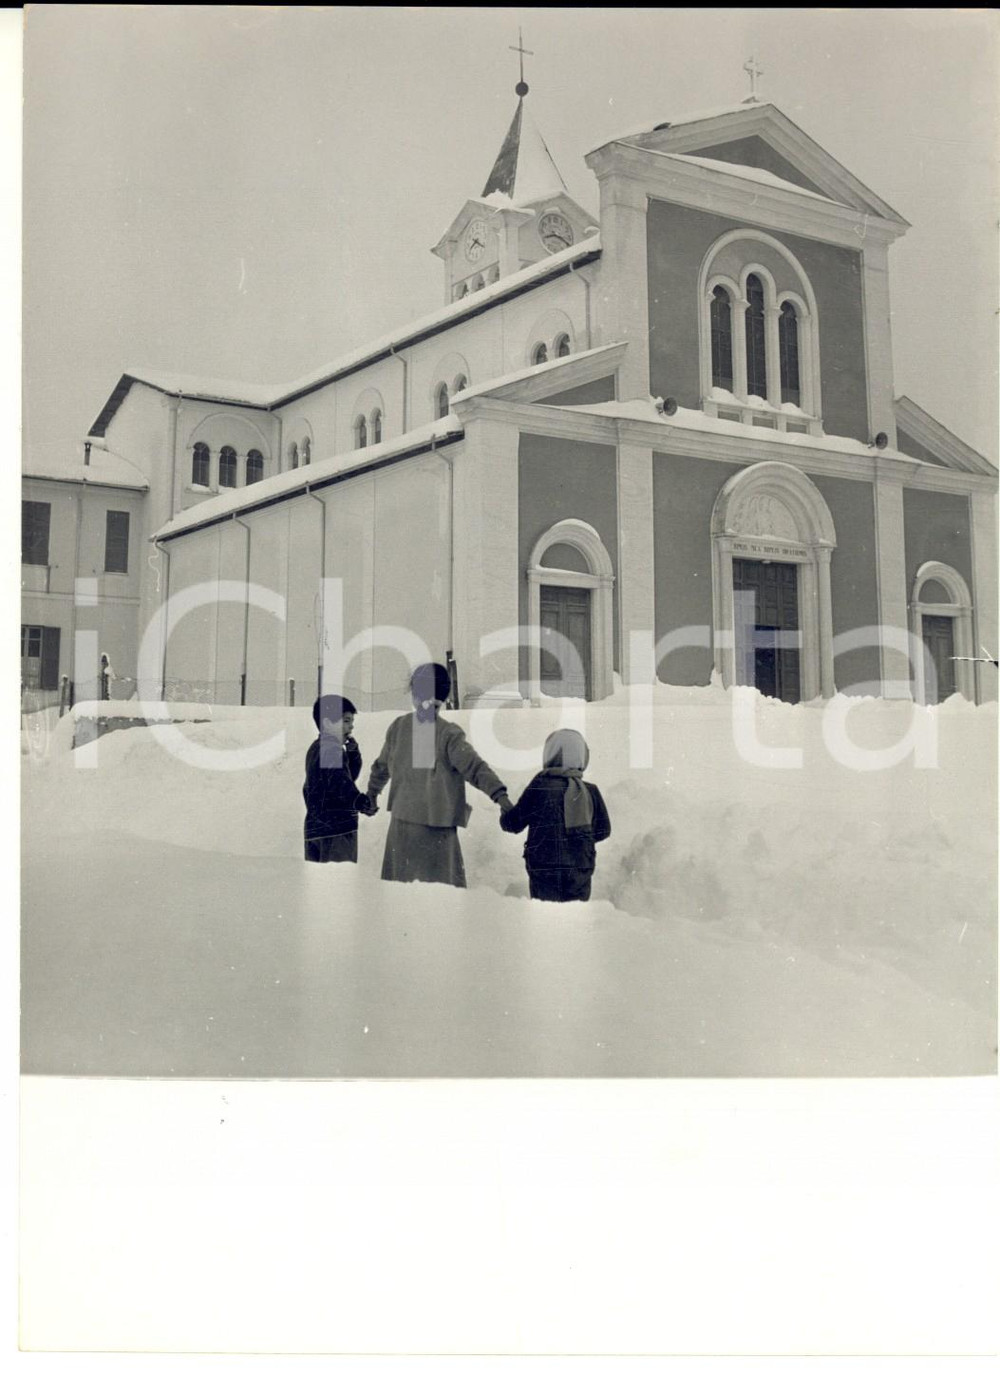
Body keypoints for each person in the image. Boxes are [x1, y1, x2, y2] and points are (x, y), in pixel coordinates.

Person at [364, 662, 511, 887]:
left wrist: (372, 793)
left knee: (400, 895)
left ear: (414, 693)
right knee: (441, 897)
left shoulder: (399, 728)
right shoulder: (448, 734)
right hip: (437, 830)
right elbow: (475, 767)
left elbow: (381, 767)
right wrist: (500, 796)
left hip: (401, 829)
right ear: (444, 696)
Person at [499, 728, 611, 903]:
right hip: (580, 870)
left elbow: (513, 824)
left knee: (546, 917)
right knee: (576, 916)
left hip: (543, 869)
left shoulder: (540, 785)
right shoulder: (590, 791)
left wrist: (505, 812)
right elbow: (603, 831)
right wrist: (579, 839)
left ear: (550, 754)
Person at [303, 694, 376, 864]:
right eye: (346, 721)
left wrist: (352, 754)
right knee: (340, 878)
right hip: (337, 830)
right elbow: (339, 782)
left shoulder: (316, 748)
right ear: (328, 723)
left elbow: (343, 777)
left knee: (319, 879)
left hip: (315, 830)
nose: (351, 726)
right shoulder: (332, 748)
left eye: (352, 721)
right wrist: (359, 801)